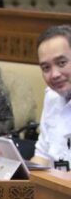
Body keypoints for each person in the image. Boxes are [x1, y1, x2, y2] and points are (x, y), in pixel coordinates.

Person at [30, 25, 71, 168]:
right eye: (46, 68)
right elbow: (42, 157)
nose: (54, 75)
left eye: (61, 63)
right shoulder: (52, 96)